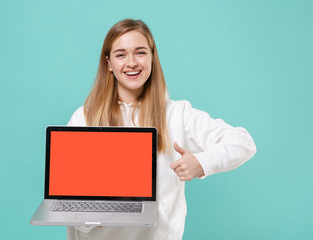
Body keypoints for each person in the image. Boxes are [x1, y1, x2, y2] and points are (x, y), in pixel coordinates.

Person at [66, 19, 256, 240]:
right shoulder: (84, 117)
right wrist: (92, 217)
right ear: (108, 63)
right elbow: (72, 202)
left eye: (140, 52)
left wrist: (201, 163)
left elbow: (243, 142)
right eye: (120, 55)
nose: (131, 63)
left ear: (152, 58)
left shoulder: (177, 114)